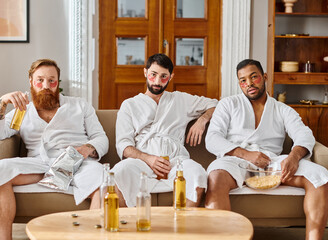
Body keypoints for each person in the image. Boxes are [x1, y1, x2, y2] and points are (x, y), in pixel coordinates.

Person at [0, 59, 109, 240]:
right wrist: (3, 102)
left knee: (104, 181)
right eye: (40, 80)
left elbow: (101, 138)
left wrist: (86, 149)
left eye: (52, 81)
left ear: (58, 83)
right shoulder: (22, 109)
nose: (46, 85)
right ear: (30, 81)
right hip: (38, 164)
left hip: (78, 163)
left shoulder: (79, 105)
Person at [205, 59, 328, 240]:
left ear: (264, 77)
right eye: (243, 80)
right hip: (235, 161)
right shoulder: (228, 104)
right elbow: (212, 139)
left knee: (320, 177)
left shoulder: (282, 109)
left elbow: (304, 135)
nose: (249, 84)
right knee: (215, 177)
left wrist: (293, 157)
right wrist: (246, 154)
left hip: (272, 163)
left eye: (254, 77)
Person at [112, 53, 218, 207]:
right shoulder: (129, 105)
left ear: (171, 77)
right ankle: (129, 227)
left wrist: (202, 120)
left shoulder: (180, 99)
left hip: (176, 161)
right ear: (145, 72)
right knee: (120, 171)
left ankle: (182, 225)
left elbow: (216, 104)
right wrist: (148, 159)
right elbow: (124, 145)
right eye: (153, 75)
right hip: (141, 162)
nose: (157, 81)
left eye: (163, 77)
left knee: (197, 174)